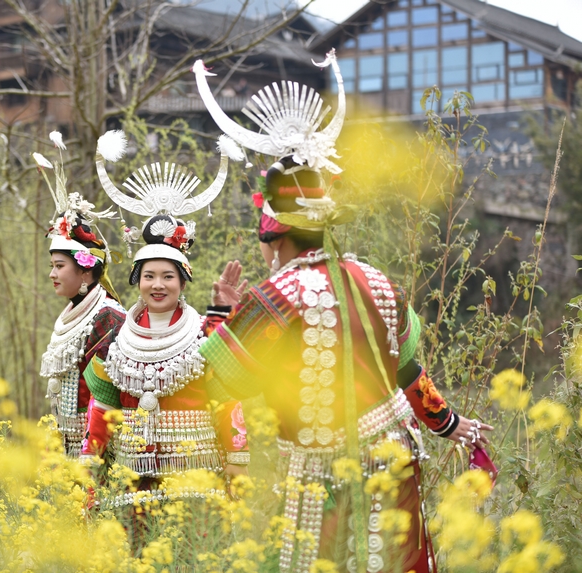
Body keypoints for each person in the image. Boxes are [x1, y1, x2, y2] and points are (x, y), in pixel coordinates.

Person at [194, 51, 494, 572]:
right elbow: (405, 369)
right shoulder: (376, 280)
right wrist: (449, 424)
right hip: (396, 460)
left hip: (325, 476)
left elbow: (216, 379)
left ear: (272, 235)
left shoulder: (274, 297)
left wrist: (221, 313)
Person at [80, 130, 250, 501]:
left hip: (196, 480)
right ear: (137, 281)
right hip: (132, 484)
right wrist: (87, 466)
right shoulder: (117, 340)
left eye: (168, 277)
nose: (158, 285)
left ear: (182, 283)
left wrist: (237, 458)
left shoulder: (202, 336)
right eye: (149, 276)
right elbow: (102, 410)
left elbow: (227, 401)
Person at [37, 131, 127, 457]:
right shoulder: (75, 314)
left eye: (59, 266)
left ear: (86, 270)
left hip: (99, 454)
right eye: (51, 265)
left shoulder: (108, 318)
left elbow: (105, 399)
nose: (51, 274)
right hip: (70, 451)